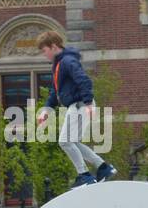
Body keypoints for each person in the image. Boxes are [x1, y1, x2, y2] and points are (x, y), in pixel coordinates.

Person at [35, 31, 115, 187]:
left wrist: (88, 103)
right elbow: (55, 91)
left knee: (65, 142)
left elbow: (84, 80)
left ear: (53, 46)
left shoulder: (67, 61)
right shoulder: (59, 65)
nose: (44, 55)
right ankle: (103, 167)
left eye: (44, 51)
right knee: (72, 142)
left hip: (80, 106)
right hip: (77, 106)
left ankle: (84, 175)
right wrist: (46, 110)